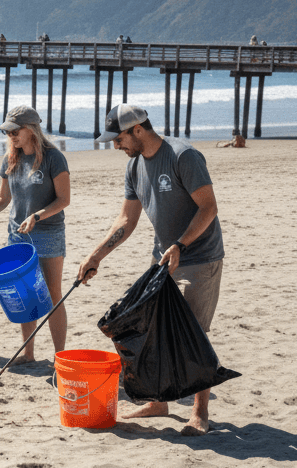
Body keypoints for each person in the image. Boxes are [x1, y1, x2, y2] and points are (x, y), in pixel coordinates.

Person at [76, 105, 224, 437]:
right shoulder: (134, 167)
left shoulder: (183, 156)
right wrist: (97, 255)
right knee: (153, 330)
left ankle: (200, 412)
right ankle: (159, 402)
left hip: (199, 257)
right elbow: (127, 221)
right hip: (163, 260)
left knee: (194, 335)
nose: (115, 145)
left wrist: (181, 244)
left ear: (138, 130)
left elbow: (209, 207)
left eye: (118, 139)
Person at [0, 105, 70, 362]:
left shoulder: (54, 158)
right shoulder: (11, 158)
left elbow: (64, 200)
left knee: (53, 294)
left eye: (15, 131)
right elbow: (2, 199)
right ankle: (28, 353)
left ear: (31, 130)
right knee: (25, 294)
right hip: (18, 235)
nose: (11, 136)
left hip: (49, 233)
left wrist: (37, 216)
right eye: (7, 132)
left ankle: (60, 357)